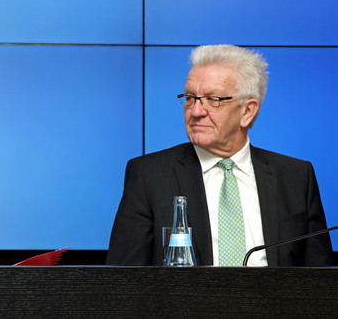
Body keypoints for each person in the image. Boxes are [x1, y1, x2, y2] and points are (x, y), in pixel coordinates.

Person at [106, 44, 334, 267]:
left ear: (247, 111)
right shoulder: (149, 175)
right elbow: (122, 282)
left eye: (213, 100)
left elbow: (322, 282)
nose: (196, 111)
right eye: (190, 98)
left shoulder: (296, 176)